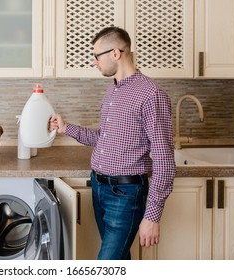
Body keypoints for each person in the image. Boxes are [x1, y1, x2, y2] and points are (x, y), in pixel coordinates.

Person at [49, 26, 176, 260]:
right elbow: (104, 139)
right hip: (99, 187)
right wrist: (66, 128)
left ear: (116, 53)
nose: (94, 62)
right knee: (119, 260)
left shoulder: (150, 94)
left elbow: (164, 159)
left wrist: (152, 215)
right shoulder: (112, 92)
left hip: (126, 194)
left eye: (97, 56)